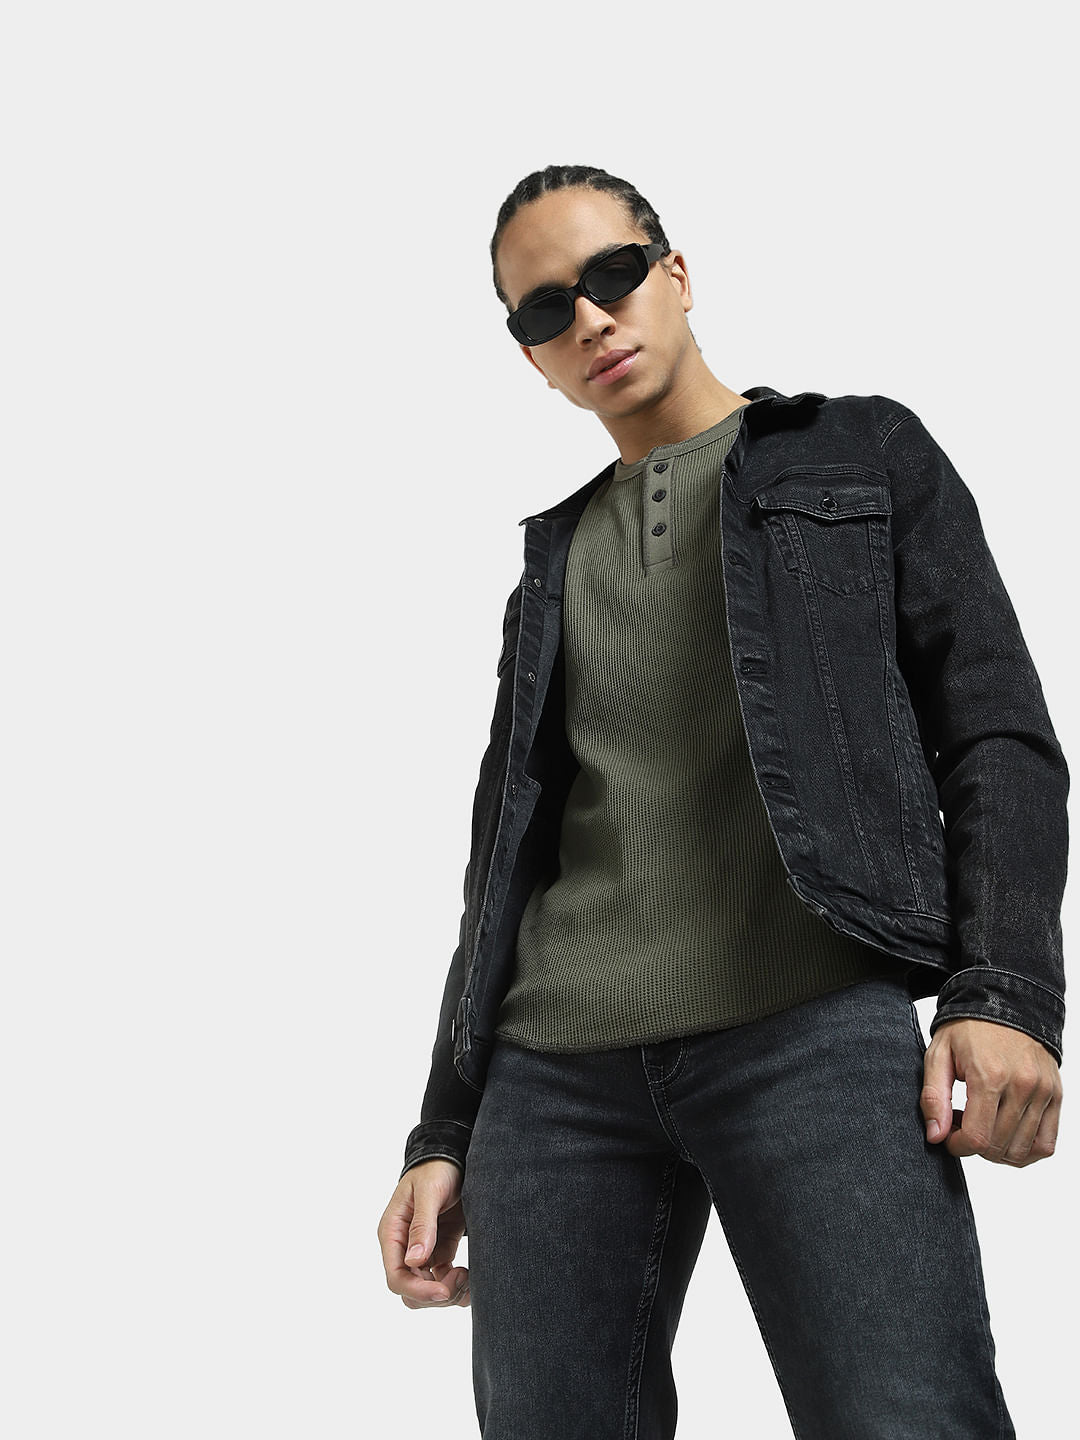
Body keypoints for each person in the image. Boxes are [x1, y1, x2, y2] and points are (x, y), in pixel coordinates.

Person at [377, 164, 1068, 1438]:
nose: (590, 318)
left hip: (812, 1032)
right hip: (555, 1080)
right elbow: (503, 866)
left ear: (677, 274)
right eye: (545, 310)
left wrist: (1004, 993)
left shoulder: (862, 451)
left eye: (612, 275)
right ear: (531, 358)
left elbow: (996, 732)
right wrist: (444, 1127)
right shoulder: (551, 566)